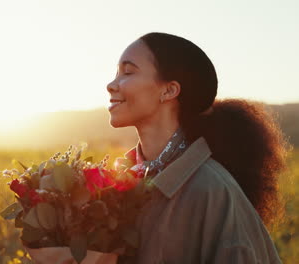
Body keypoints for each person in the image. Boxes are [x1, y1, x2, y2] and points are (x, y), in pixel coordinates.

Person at [107, 32, 289, 263]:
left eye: (128, 72)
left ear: (169, 91)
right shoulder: (117, 182)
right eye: (116, 73)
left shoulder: (210, 189)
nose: (111, 85)